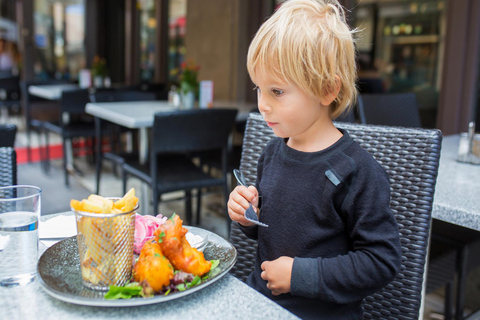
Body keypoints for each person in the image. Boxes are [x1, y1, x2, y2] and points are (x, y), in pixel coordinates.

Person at [227, 1, 402, 319]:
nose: (263, 104)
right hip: (259, 305)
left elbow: (381, 261)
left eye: (277, 91)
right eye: (259, 88)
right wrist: (247, 216)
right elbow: (272, 229)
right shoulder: (272, 153)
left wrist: (300, 276)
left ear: (327, 89)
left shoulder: (356, 171)